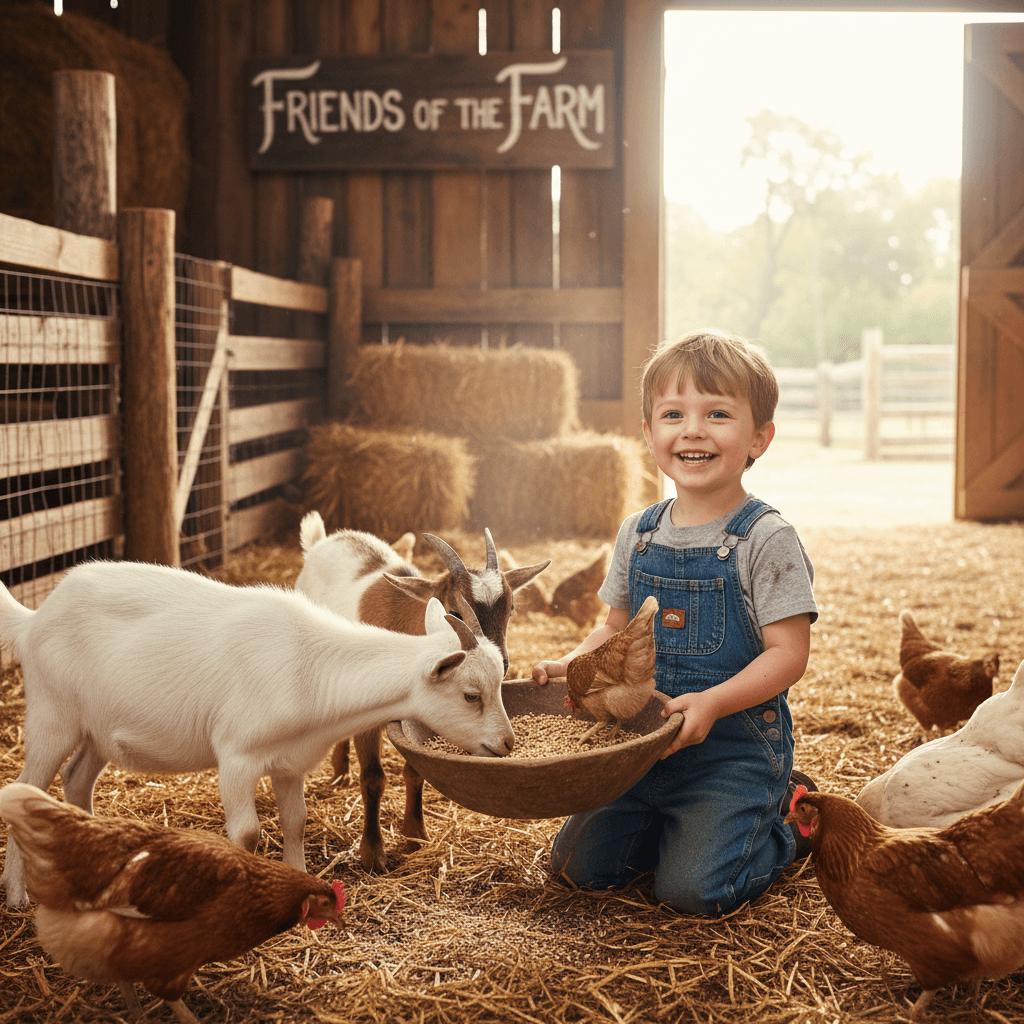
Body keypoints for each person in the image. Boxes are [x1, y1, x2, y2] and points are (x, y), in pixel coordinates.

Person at [532, 328, 818, 917]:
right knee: (576, 871)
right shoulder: (637, 533)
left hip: (731, 754)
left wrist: (712, 702)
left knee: (692, 894)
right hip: (636, 749)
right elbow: (612, 629)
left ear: (759, 437)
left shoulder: (766, 539)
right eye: (672, 414)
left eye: (717, 413)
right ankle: (676, 831)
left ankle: (784, 819)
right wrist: (572, 664)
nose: (693, 430)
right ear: (648, 433)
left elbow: (788, 654)